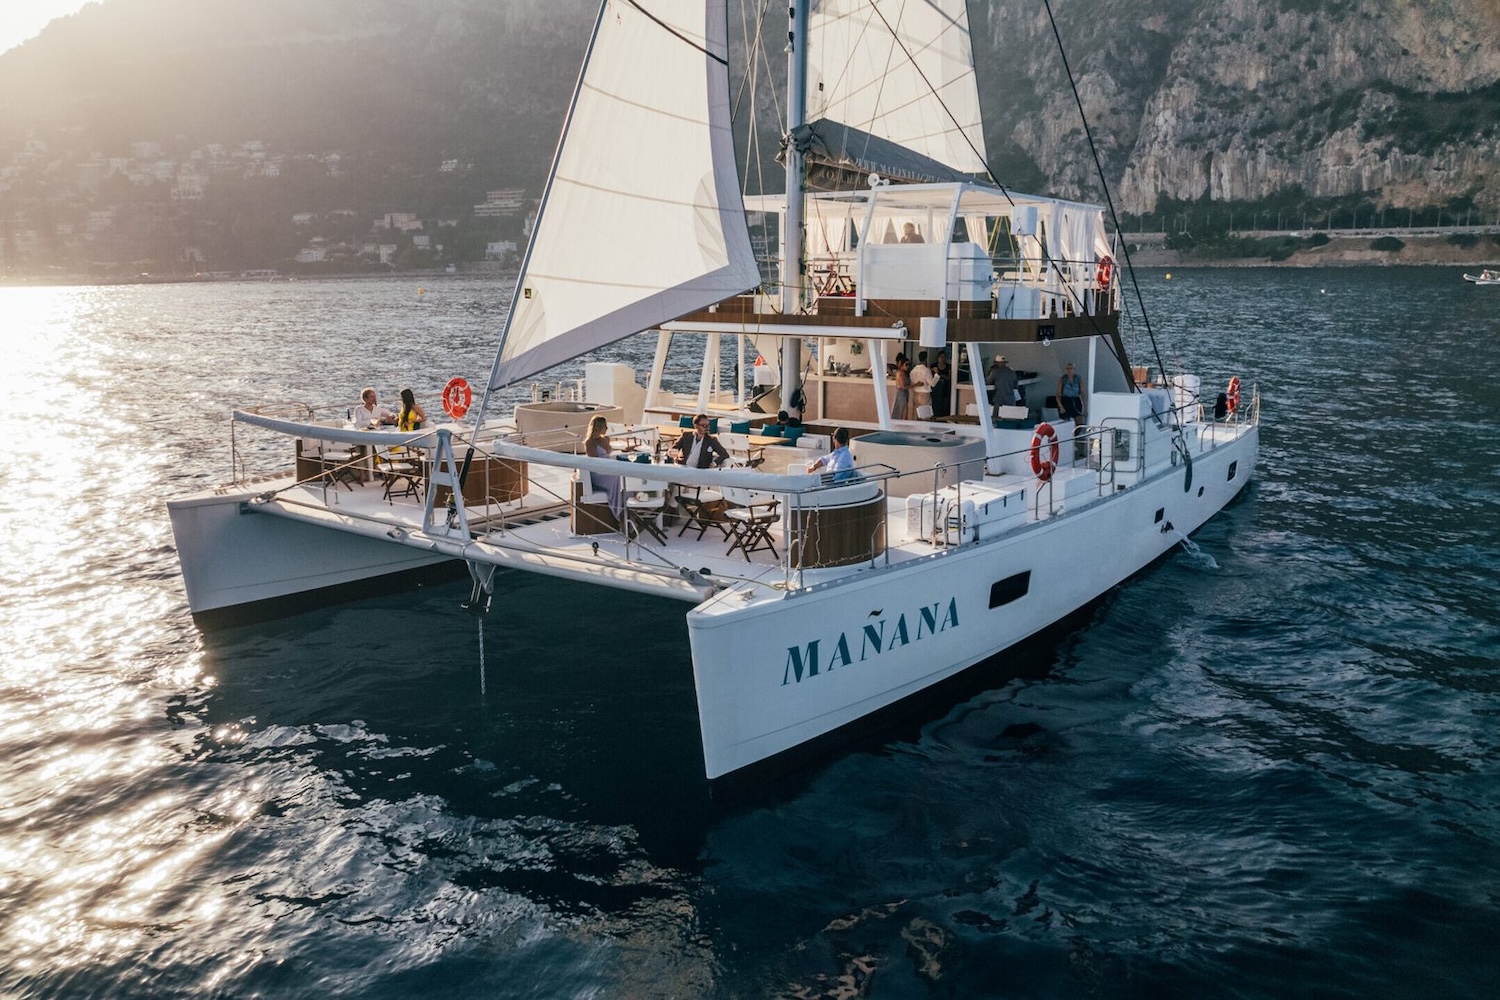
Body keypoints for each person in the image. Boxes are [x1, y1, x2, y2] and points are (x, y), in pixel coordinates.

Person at [583, 414, 624, 520]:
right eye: (605, 426)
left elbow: (610, 453)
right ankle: (619, 511)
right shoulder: (589, 443)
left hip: (609, 467)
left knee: (624, 475)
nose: (606, 428)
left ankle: (628, 506)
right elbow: (594, 462)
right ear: (598, 427)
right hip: (598, 472)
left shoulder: (606, 439)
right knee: (616, 478)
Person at [988, 356, 1020, 422]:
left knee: (996, 419)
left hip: (1000, 398)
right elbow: (1016, 385)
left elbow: (988, 382)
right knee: (1010, 419)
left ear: (997, 363)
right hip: (1011, 399)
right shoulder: (1012, 372)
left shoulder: (995, 372)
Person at [1056, 362, 1085, 426]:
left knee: (1079, 422)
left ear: (1074, 370)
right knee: (1066, 422)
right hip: (1066, 401)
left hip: (1076, 400)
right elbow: (1058, 394)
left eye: (1071, 368)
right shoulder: (1062, 379)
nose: (1069, 370)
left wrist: (1084, 406)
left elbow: (1083, 393)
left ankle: (1077, 435)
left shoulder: (1078, 379)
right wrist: (1060, 406)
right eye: (1067, 369)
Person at [910, 350, 933, 417]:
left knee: (917, 414)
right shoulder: (926, 370)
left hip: (916, 393)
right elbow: (932, 383)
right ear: (926, 359)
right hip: (924, 394)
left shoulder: (913, 370)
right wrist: (937, 375)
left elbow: (912, 381)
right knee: (925, 415)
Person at [931, 351, 952, 419]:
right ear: (938, 358)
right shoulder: (933, 366)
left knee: (945, 403)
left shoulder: (948, 366)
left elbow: (949, 378)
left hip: (945, 387)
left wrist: (942, 375)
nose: (943, 359)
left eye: (944, 357)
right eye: (941, 357)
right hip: (936, 388)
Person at [891, 355, 911, 420]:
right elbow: (903, 386)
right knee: (901, 411)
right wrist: (916, 385)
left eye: (909, 364)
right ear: (902, 365)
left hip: (904, 393)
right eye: (906, 364)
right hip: (901, 394)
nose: (908, 366)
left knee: (904, 410)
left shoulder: (904, 373)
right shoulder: (900, 374)